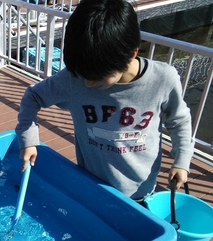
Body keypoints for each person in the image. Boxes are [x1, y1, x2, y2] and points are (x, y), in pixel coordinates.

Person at [15, 0, 194, 202]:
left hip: (141, 191)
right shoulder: (74, 80)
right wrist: (28, 139)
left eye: (97, 77)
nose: (88, 84)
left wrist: (182, 160)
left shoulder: (163, 79)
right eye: (83, 76)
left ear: (131, 55)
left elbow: (179, 120)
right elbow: (33, 96)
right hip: (92, 185)